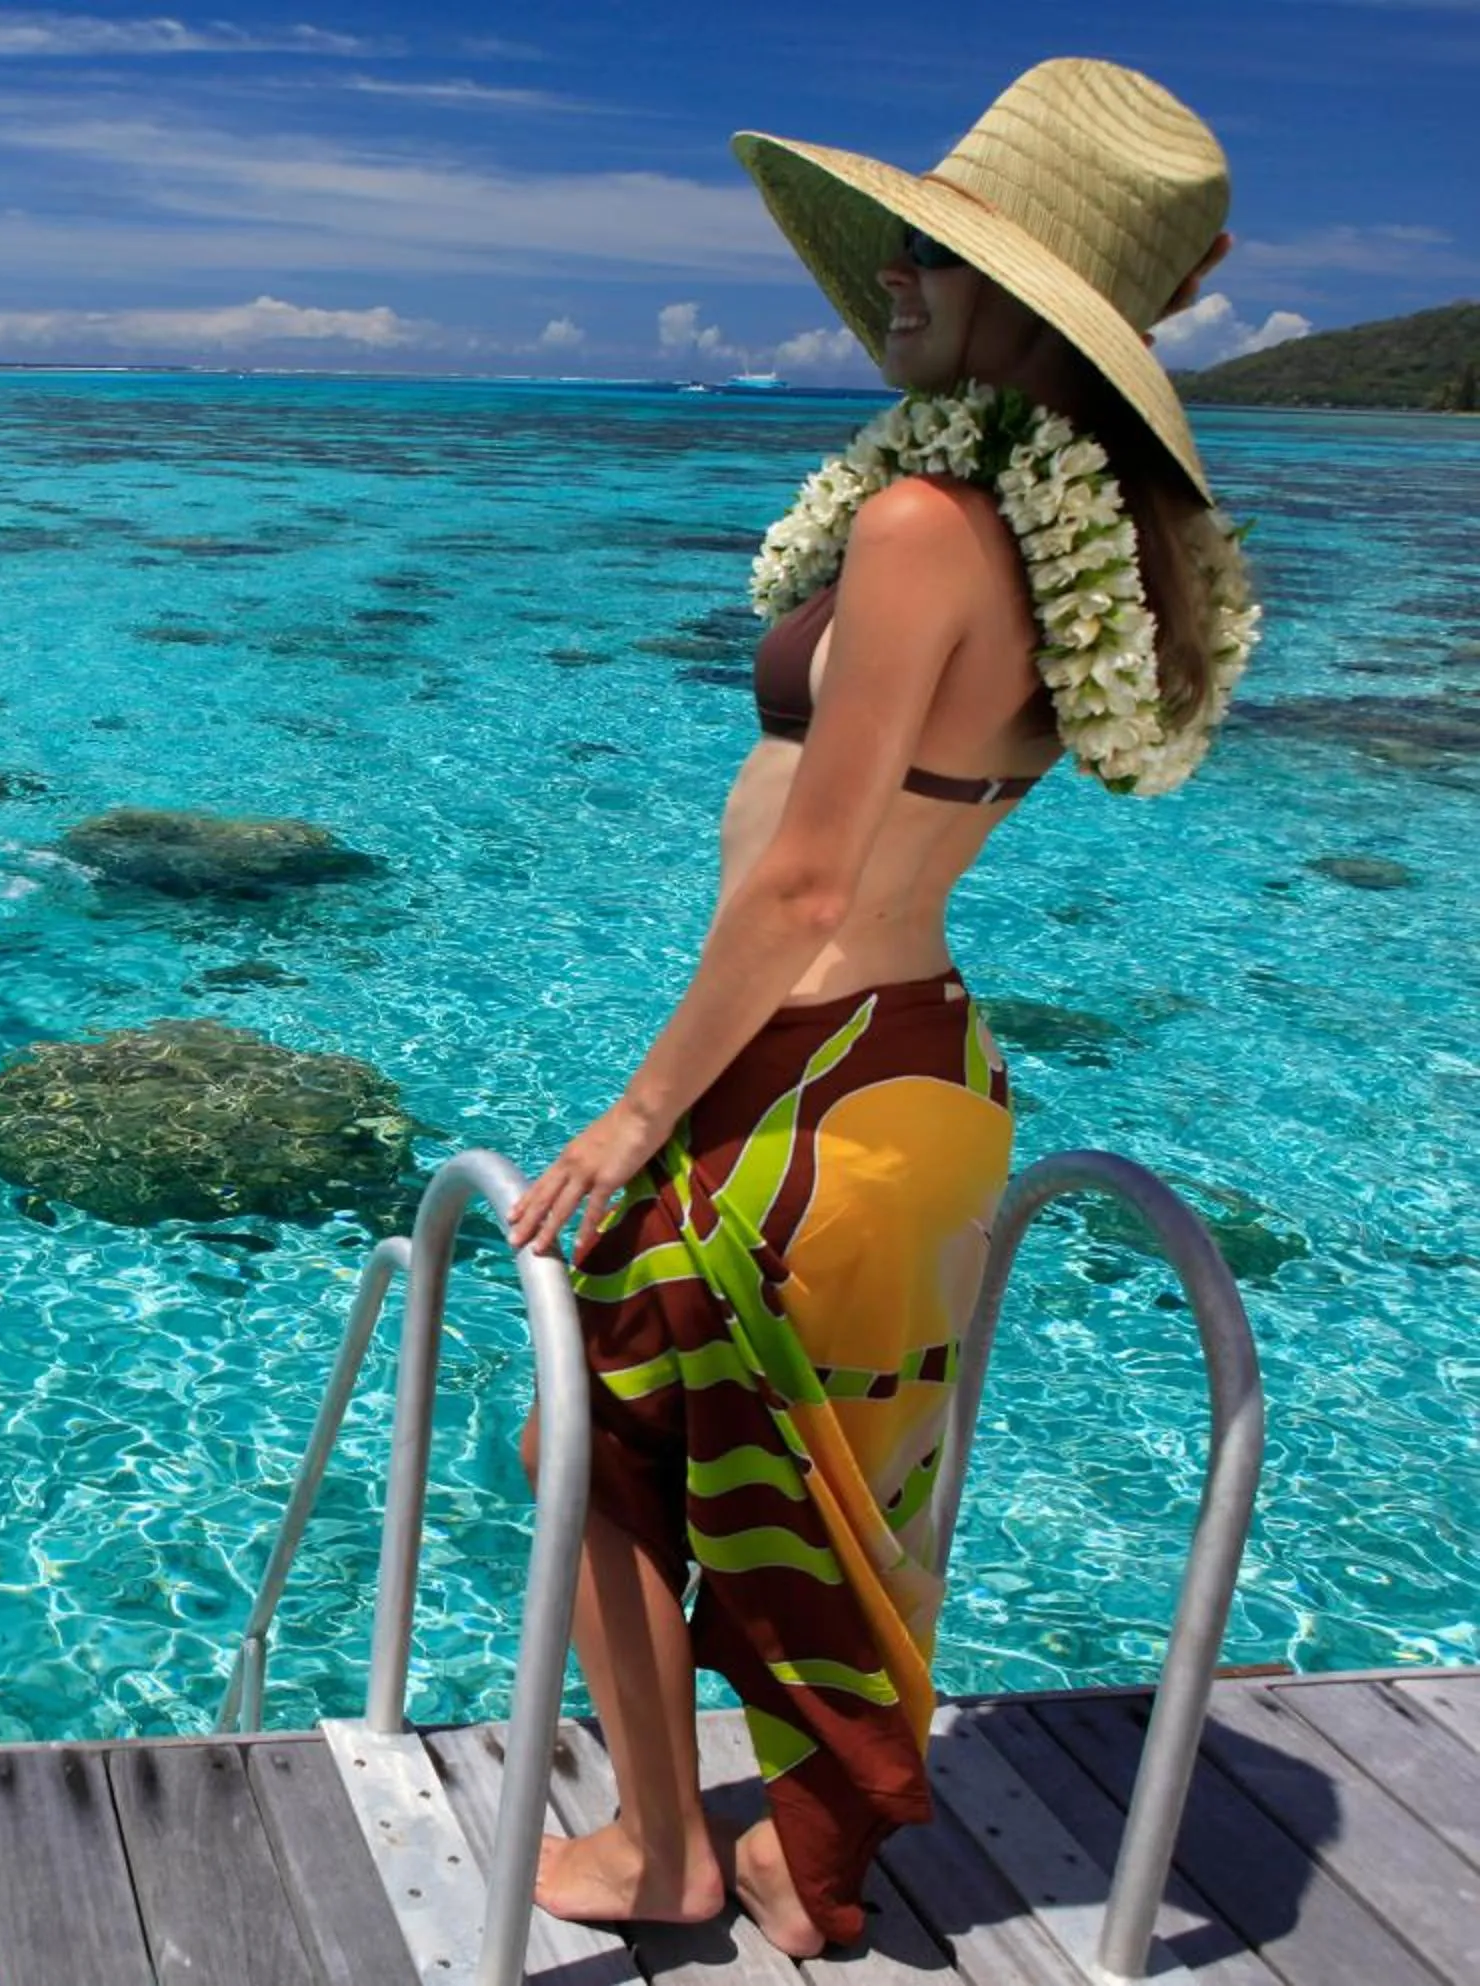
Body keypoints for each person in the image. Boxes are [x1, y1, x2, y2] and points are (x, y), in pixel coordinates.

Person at [505, 59, 1256, 1958]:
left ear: (1030, 300)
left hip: (804, 1075)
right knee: (818, 1481)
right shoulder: (1046, 533)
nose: (895, 278)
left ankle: (669, 1846)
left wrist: (636, 1110)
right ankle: (778, 1845)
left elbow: (808, 882)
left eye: (937, 252)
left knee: (589, 1445)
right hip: (916, 1071)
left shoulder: (928, 523)